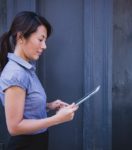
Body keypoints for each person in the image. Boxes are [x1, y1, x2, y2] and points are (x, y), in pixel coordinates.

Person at [0, 11, 78, 150]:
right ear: (20, 37)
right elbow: (14, 127)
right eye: (40, 39)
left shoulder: (26, 69)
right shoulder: (15, 73)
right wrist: (57, 119)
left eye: (45, 41)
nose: (44, 46)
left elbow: (25, 105)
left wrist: (48, 105)